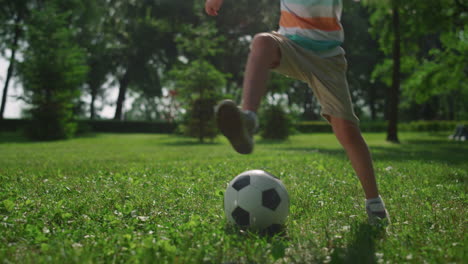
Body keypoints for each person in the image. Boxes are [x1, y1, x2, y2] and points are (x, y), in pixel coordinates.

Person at [205, 0, 389, 224]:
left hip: (328, 58)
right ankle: (249, 119)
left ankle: (374, 203)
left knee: (347, 131)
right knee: (262, 42)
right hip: (289, 44)